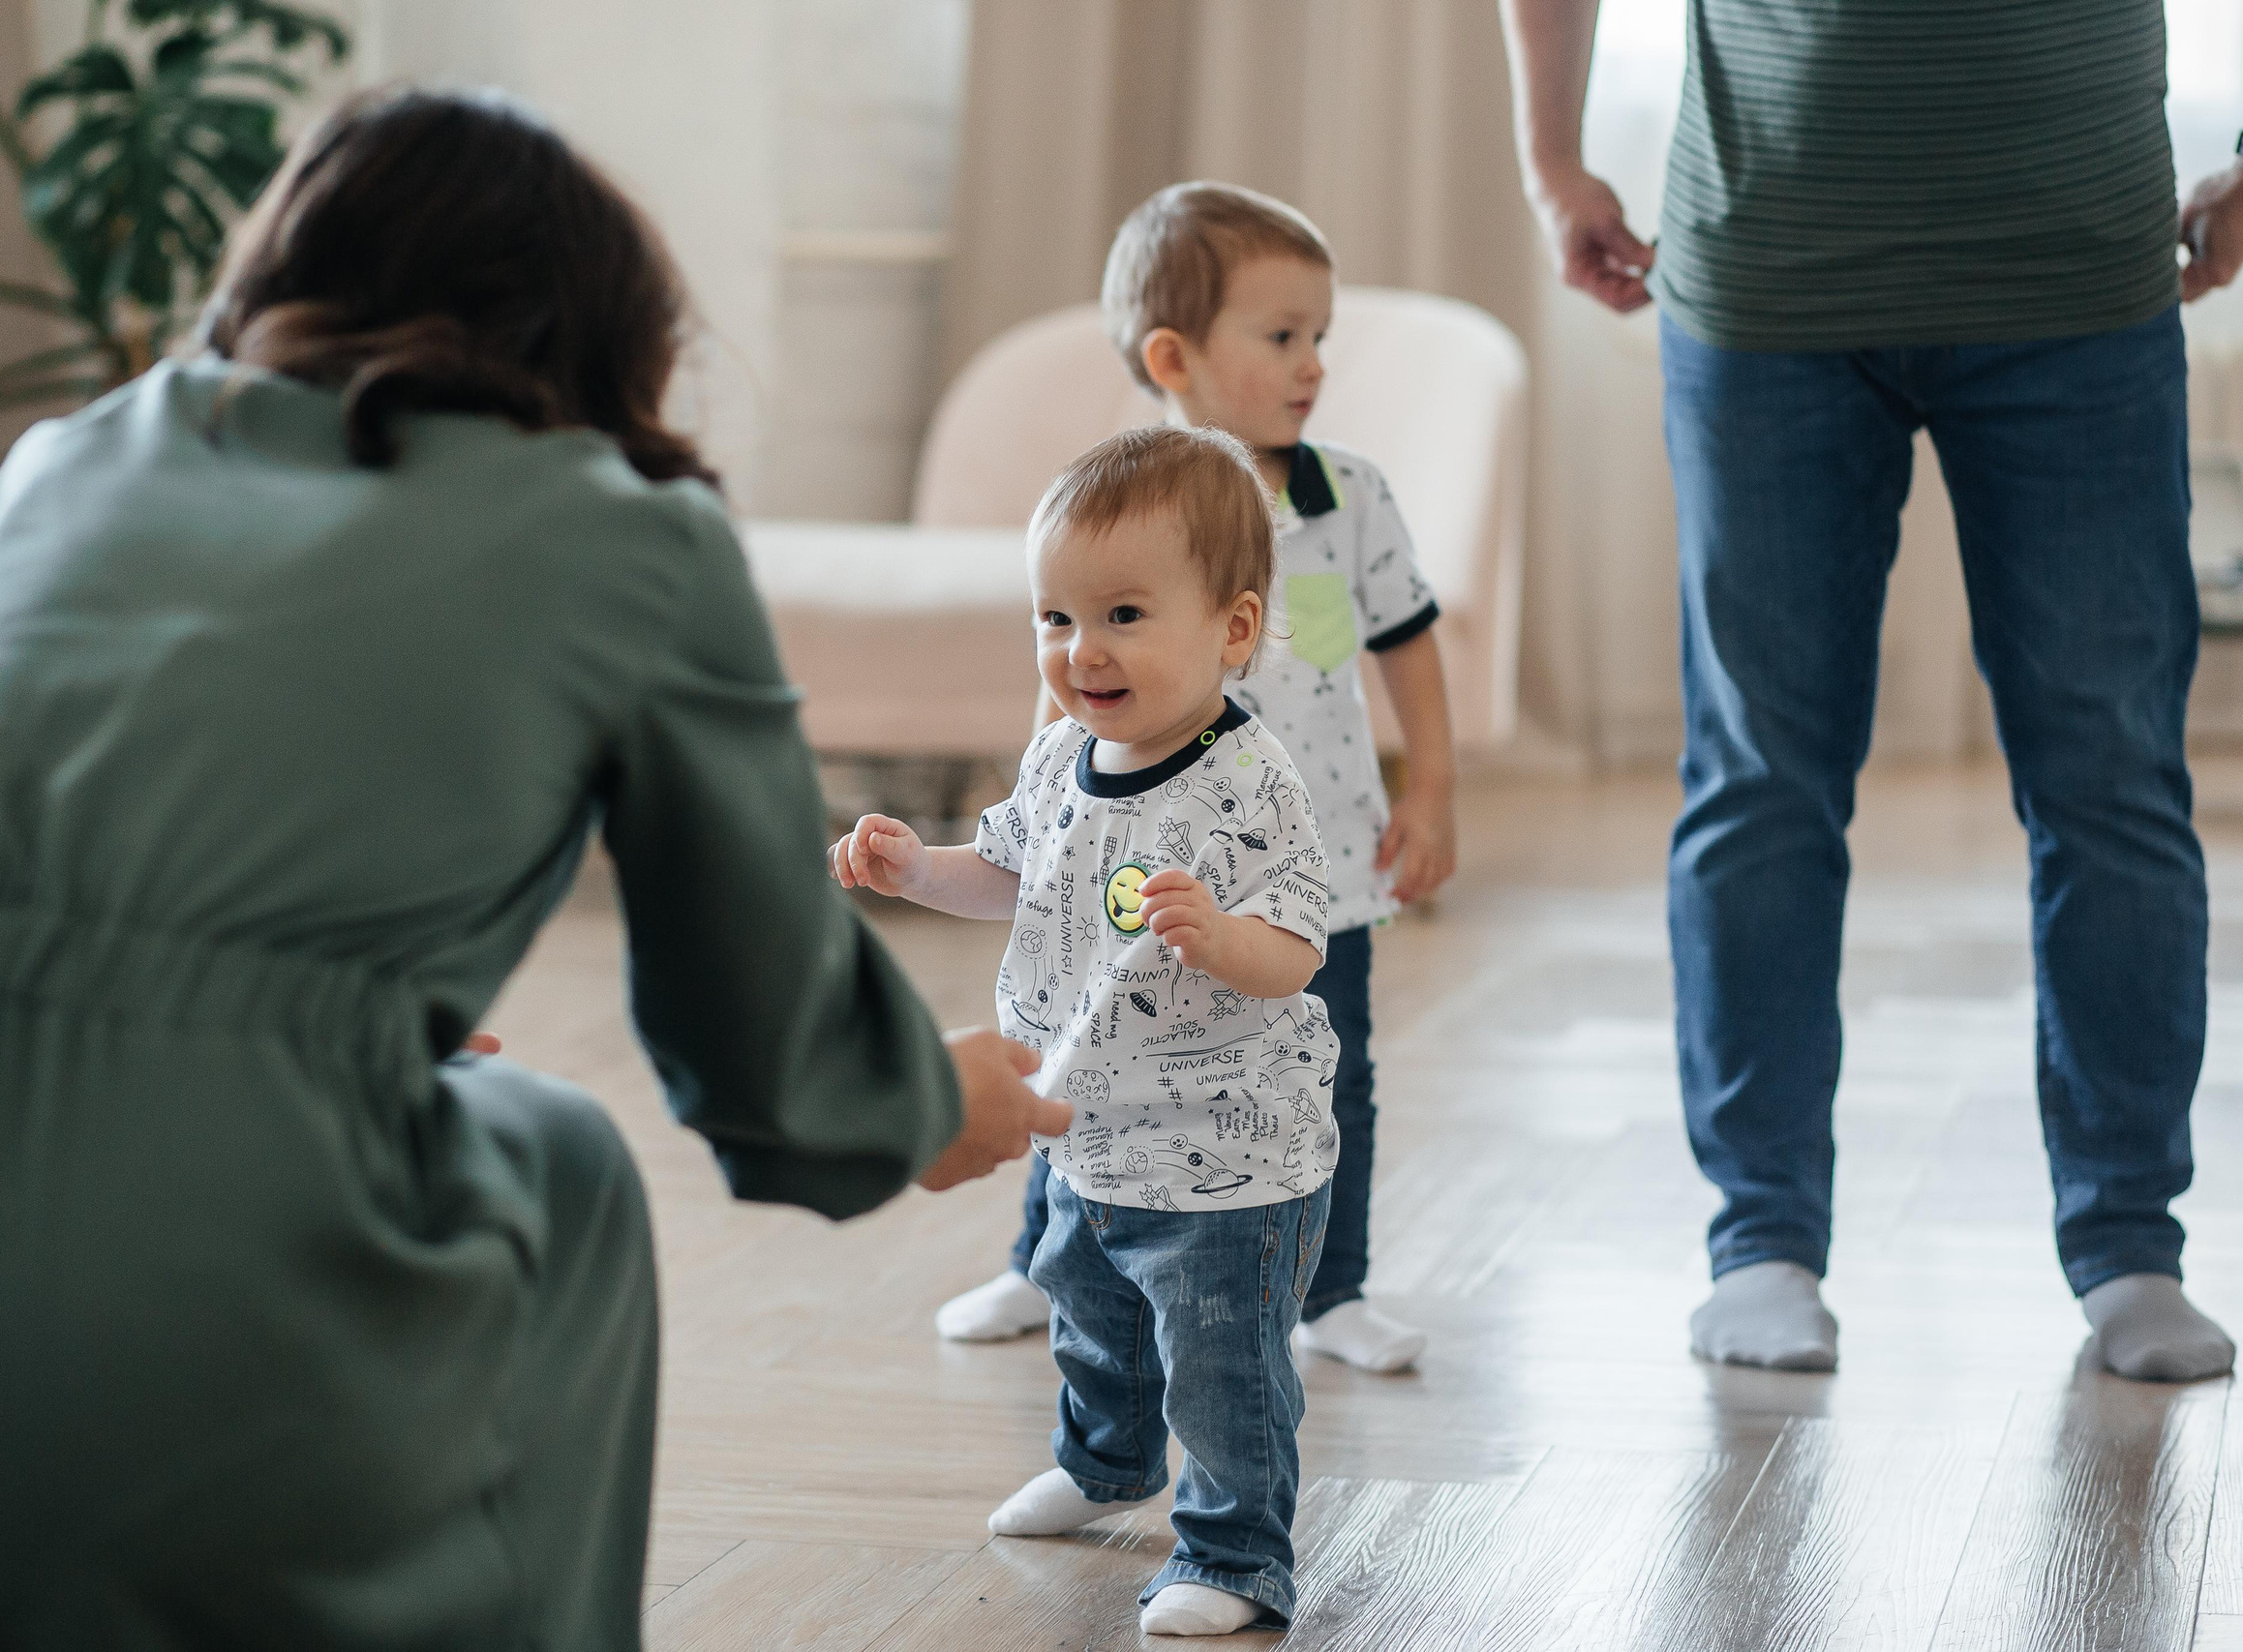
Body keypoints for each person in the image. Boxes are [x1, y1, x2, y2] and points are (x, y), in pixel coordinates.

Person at [0, 88, 1068, 1651]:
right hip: (171, 1249)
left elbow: (49, 866)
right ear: (594, 321)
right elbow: (780, 1073)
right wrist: (931, 1105)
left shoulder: (87, 450)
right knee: (562, 1164)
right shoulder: (632, 540)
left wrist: (278, 1005)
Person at [1500, 0, 2237, 1380]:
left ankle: (2133, 1241)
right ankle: (1762, 1241)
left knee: (2113, 769)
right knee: (1762, 774)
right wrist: (1551, 158)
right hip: (1769, 283)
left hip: (2077, 283)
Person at [933, 181, 1452, 1375]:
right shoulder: (1114, 511)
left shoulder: (1346, 496)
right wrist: (1041, 815)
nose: (1312, 362)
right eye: (1281, 337)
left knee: (1331, 1072)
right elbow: (1064, 673)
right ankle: (1044, 1259)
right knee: (1076, 1046)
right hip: (1126, 864)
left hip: (1311, 874)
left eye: (1319, 336)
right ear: (1174, 354)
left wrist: (1432, 790)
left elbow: (1404, 645)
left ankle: (1334, 1285)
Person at [834, 426, 1338, 1637]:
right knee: (1087, 1313)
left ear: (1233, 628)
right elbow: (1011, 873)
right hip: (1084, 1124)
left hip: (1227, 1158)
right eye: (1054, 619)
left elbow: (1300, 950)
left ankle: (1233, 1555)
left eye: (1120, 614)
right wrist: (916, 872)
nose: (1081, 651)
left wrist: (1222, 938)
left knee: (1219, 1369)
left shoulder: (1246, 781)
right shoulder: (1063, 753)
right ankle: (1106, 1462)